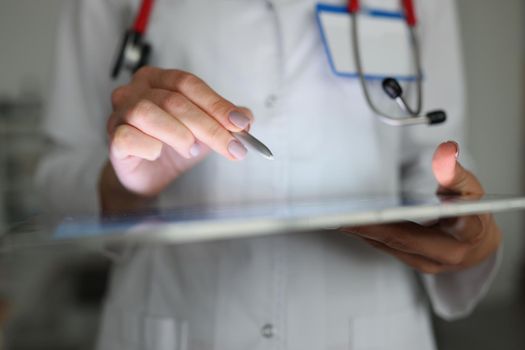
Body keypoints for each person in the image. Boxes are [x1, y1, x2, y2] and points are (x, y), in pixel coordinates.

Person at [37, 0, 502, 349]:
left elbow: (439, 160)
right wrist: (123, 185)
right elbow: (56, 178)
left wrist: (464, 226)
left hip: (372, 325)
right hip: (175, 320)